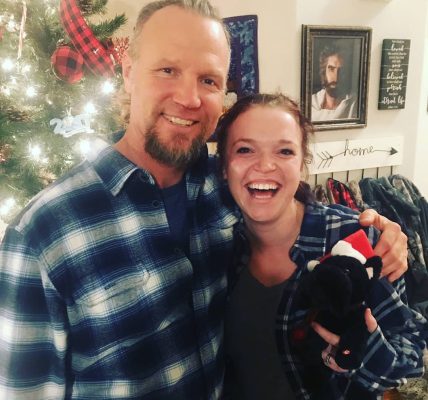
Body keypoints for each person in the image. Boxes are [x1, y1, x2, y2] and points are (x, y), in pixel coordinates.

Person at [0, 1, 409, 399]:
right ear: (128, 73)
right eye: (167, 70)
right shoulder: (43, 234)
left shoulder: (223, 186)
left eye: (209, 80)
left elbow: (290, 201)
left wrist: (380, 231)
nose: (189, 98)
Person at [215, 93, 427, 400]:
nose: (265, 165)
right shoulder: (216, 241)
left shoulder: (353, 239)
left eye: (284, 151)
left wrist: (360, 351)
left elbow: (411, 355)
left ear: (302, 165)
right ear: (224, 166)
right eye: (245, 149)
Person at [311, 43, 358, 121]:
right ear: (323, 71)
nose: (336, 77)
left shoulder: (354, 105)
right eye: (331, 69)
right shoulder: (311, 103)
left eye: (341, 71)